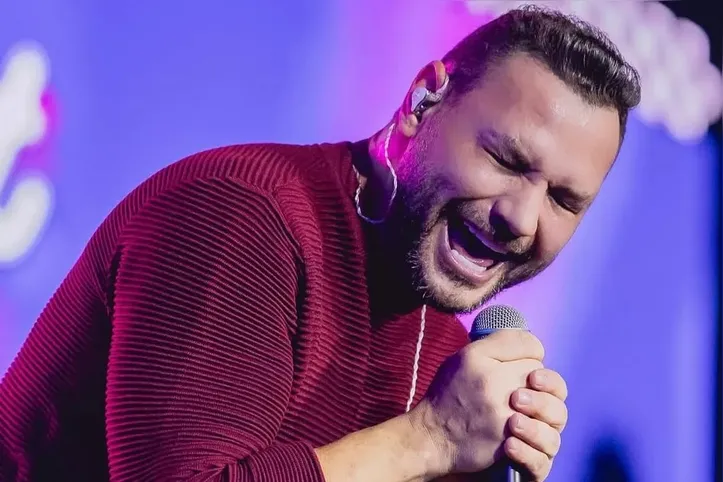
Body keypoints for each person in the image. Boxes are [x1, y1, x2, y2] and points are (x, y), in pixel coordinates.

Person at [0, 5, 641, 482]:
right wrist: (428, 439)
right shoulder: (246, 218)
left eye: (563, 200)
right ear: (422, 102)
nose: (522, 218)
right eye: (505, 158)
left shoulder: (444, 347)